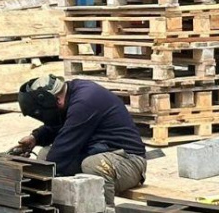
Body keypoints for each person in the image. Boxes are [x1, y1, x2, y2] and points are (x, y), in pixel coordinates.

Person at [14, 74, 147, 204]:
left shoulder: (85, 100)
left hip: (129, 162)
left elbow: (66, 145)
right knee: (45, 155)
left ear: (56, 101)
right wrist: (35, 138)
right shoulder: (69, 95)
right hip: (98, 152)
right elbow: (62, 126)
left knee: (92, 165)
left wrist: (33, 181)